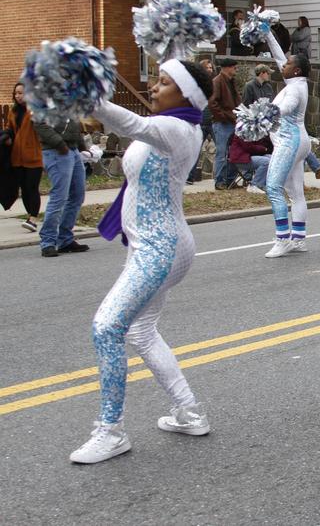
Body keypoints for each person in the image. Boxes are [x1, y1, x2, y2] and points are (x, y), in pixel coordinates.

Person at [70, 58, 214, 464]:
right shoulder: (175, 124)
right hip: (157, 244)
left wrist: (92, 98)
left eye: (164, 82)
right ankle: (188, 412)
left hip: (159, 248)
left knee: (107, 327)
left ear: (186, 95)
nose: (153, 86)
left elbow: (131, 124)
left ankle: (110, 431)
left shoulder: (176, 128)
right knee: (140, 331)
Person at [262, 32, 311, 257]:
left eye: (289, 64)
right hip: (300, 141)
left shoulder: (294, 88)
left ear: (297, 70)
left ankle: (283, 239)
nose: (283, 65)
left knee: (273, 187)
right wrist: (267, 33)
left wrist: (264, 115)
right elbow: (279, 56)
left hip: (289, 142)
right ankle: (298, 239)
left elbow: (288, 107)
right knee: (296, 194)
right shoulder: (296, 81)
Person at [34, 114, 87, 257]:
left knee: (77, 195)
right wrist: (59, 144)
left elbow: (73, 124)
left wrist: (83, 147)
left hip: (73, 150)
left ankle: (65, 239)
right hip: (56, 151)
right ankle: (48, 242)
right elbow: (39, 124)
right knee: (59, 197)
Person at [2, 82, 44, 231]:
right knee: (24, 189)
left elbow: (43, 128)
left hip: (33, 156)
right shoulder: (13, 112)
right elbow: (9, 128)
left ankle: (33, 218)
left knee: (32, 188)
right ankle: (30, 216)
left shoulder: (35, 110)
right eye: (16, 93)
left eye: (21, 93)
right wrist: (6, 136)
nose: (18, 96)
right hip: (17, 157)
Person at [208, 58, 239, 189]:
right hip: (222, 123)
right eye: (233, 67)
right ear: (227, 68)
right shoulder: (217, 81)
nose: (235, 70)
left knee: (233, 152)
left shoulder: (231, 82)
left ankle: (230, 180)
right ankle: (219, 181)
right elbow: (212, 103)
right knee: (221, 153)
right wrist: (223, 117)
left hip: (232, 121)